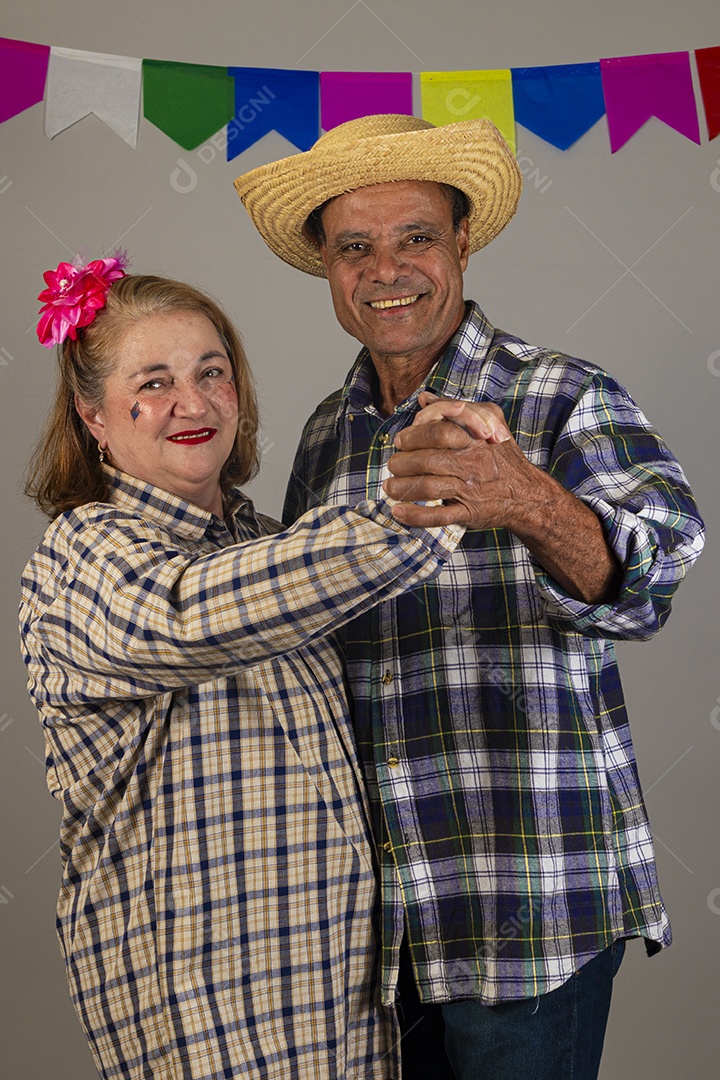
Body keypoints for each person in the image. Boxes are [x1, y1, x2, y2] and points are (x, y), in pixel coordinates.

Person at [233, 114, 706, 1079]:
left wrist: (530, 501)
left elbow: (663, 559)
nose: (386, 269)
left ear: (460, 246)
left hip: (527, 903)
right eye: (353, 247)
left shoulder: (561, 395)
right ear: (328, 269)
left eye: (415, 238)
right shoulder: (328, 435)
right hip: (376, 927)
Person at [19, 257, 466, 1080]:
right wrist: (426, 500)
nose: (191, 403)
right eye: (152, 382)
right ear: (94, 416)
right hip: (206, 1002)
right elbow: (192, 616)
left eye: (210, 373)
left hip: (344, 1000)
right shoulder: (80, 554)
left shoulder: (263, 540)